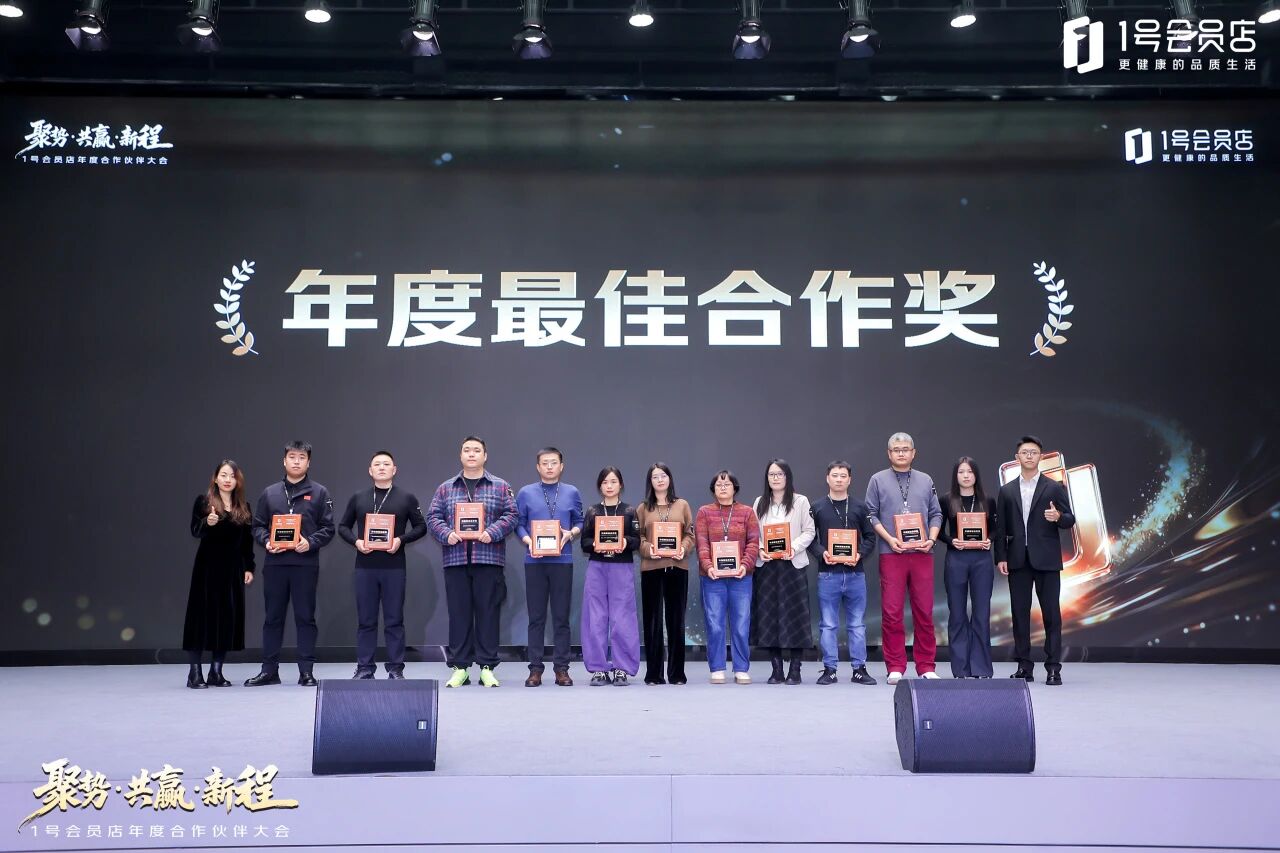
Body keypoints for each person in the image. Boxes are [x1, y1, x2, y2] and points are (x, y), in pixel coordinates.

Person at [426, 435, 519, 688]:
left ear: (485, 456)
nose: (471, 454)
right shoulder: (446, 488)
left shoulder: (500, 486)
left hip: (488, 559)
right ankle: (460, 668)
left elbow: (512, 515)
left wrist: (492, 532)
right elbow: (433, 517)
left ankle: (487, 667)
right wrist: (447, 534)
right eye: (467, 450)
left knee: (488, 614)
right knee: (459, 615)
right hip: (456, 560)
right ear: (460, 455)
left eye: (476, 450)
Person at [246, 441, 336, 687]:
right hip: (275, 564)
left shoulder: (320, 492)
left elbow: (328, 528)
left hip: (305, 564)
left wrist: (310, 542)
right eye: (292, 457)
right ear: (284, 461)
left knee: (305, 617)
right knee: (272, 618)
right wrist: (267, 541)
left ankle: (306, 671)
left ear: (309, 462)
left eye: (302, 457)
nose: (297, 461)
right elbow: (257, 526)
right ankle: (269, 671)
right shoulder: (270, 493)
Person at [338, 450, 428, 679]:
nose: (381, 467)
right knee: (366, 621)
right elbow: (343, 527)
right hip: (365, 567)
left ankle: (396, 668)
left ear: (394, 470)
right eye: (377, 464)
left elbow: (421, 527)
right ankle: (365, 668)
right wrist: (357, 542)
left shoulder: (406, 498)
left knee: (394, 620)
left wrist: (400, 540)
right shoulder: (358, 497)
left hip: (394, 567)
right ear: (370, 470)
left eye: (386, 464)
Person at [996, 435, 1076, 686]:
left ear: (1040, 456)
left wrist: (1058, 516)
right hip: (1017, 559)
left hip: (1047, 560)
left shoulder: (1053, 487)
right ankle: (1024, 666)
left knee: (1051, 614)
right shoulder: (1007, 490)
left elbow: (1070, 519)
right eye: (1025, 452)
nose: (1029, 456)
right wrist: (1001, 557)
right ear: (1017, 457)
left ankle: (1053, 668)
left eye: (1033, 452)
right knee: (1019, 615)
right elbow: (1000, 528)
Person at [865, 432, 944, 685]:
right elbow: (871, 514)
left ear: (913, 453)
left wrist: (931, 539)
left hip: (922, 553)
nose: (901, 453)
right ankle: (895, 666)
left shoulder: (925, 479)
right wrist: (890, 539)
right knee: (891, 612)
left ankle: (926, 666)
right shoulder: (877, 480)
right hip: (892, 553)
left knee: (924, 611)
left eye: (905, 449)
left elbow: (936, 514)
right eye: (896, 449)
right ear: (889, 454)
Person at [183, 460, 255, 689]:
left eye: (232, 476)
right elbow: (195, 530)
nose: (227, 480)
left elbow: (247, 543)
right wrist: (207, 522)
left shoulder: (243, 507)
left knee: (226, 620)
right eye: (223, 475)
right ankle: (194, 673)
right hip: (207, 569)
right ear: (215, 478)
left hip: (232, 571)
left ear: (238, 481)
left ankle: (216, 671)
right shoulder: (204, 502)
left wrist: (248, 567)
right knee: (200, 619)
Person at [516, 447, 584, 687]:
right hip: (534, 561)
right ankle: (535, 669)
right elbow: (519, 523)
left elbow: (580, 521)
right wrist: (528, 541)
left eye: (553, 462)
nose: (549, 467)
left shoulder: (572, 492)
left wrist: (571, 534)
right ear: (538, 467)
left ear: (561, 466)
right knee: (536, 618)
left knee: (561, 617)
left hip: (562, 561)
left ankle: (561, 669)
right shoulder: (525, 493)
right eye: (544, 463)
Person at [807, 460, 878, 686]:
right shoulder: (817, 507)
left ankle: (859, 669)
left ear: (850, 480)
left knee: (857, 624)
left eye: (843, 476)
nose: (839, 480)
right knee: (828, 624)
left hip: (855, 574)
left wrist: (859, 553)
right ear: (827, 478)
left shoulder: (860, 507)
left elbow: (870, 537)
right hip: (828, 574)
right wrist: (822, 553)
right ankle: (830, 669)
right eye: (835, 475)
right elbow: (810, 539)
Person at [750, 459, 816, 685]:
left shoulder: (800, 501)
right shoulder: (759, 502)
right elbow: (753, 533)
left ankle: (795, 669)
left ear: (787, 477)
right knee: (769, 617)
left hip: (792, 565)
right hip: (767, 568)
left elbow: (809, 531)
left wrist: (793, 548)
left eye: (780, 474)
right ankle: (776, 669)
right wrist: (760, 549)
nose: (775, 478)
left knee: (795, 617)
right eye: (771, 474)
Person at [695, 470, 760, 684]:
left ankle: (741, 668)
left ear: (735, 488)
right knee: (715, 623)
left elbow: (753, 542)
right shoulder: (704, 512)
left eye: (727, 484)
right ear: (713, 489)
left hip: (741, 577)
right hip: (712, 577)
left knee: (741, 624)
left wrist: (745, 565)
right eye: (719, 485)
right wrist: (708, 566)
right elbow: (701, 542)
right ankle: (717, 667)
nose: (723, 488)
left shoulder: (747, 512)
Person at [635, 463, 696, 685]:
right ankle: (654, 674)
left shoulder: (682, 505)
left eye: (663, 475)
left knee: (676, 620)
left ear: (670, 478)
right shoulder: (643, 508)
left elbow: (690, 534)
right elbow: (638, 537)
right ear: (650, 481)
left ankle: (677, 674)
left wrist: (683, 549)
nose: (660, 480)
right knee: (652, 622)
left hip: (677, 567)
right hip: (651, 569)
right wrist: (647, 549)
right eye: (655, 477)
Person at [579, 467, 641, 686]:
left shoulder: (630, 511)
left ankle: (622, 668)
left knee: (622, 617)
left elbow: (637, 540)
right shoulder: (593, 511)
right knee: (595, 617)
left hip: (621, 568)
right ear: (600, 486)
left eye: (613, 481)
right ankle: (598, 668)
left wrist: (625, 542)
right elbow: (584, 542)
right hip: (597, 567)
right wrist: (595, 544)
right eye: (605, 482)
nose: (609, 486)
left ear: (620, 485)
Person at [939, 456, 1000, 679]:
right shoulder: (946, 500)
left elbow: (996, 529)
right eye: (961, 472)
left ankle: (981, 668)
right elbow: (938, 530)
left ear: (976, 475)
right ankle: (960, 669)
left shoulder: (987, 500)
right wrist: (951, 541)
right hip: (956, 559)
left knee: (981, 613)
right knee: (957, 613)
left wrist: (989, 540)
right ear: (955, 476)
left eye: (970, 472)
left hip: (981, 560)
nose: (966, 476)